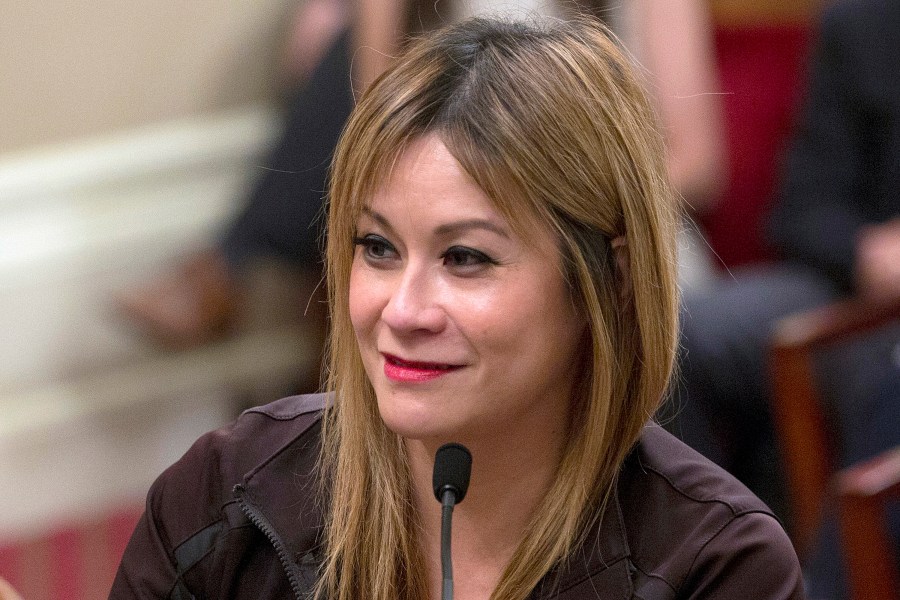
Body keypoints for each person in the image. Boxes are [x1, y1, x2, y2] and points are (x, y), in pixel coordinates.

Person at [110, 17, 799, 599]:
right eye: (377, 247)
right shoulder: (226, 492)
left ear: (611, 281)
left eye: (465, 258)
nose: (402, 311)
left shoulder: (719, 567)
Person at [115, 0, 724, 349]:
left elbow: (698, 161)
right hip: (446, 214)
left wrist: (547, 202)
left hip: (595, 225)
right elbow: (371, 113)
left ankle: (228, 264)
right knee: (344, 54)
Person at [668, 0, 899, 595]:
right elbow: (799, 213)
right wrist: (868, 252)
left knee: (884, 374)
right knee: (686, 337)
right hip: (851, 287)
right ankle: (699, 573)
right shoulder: (861, 23)